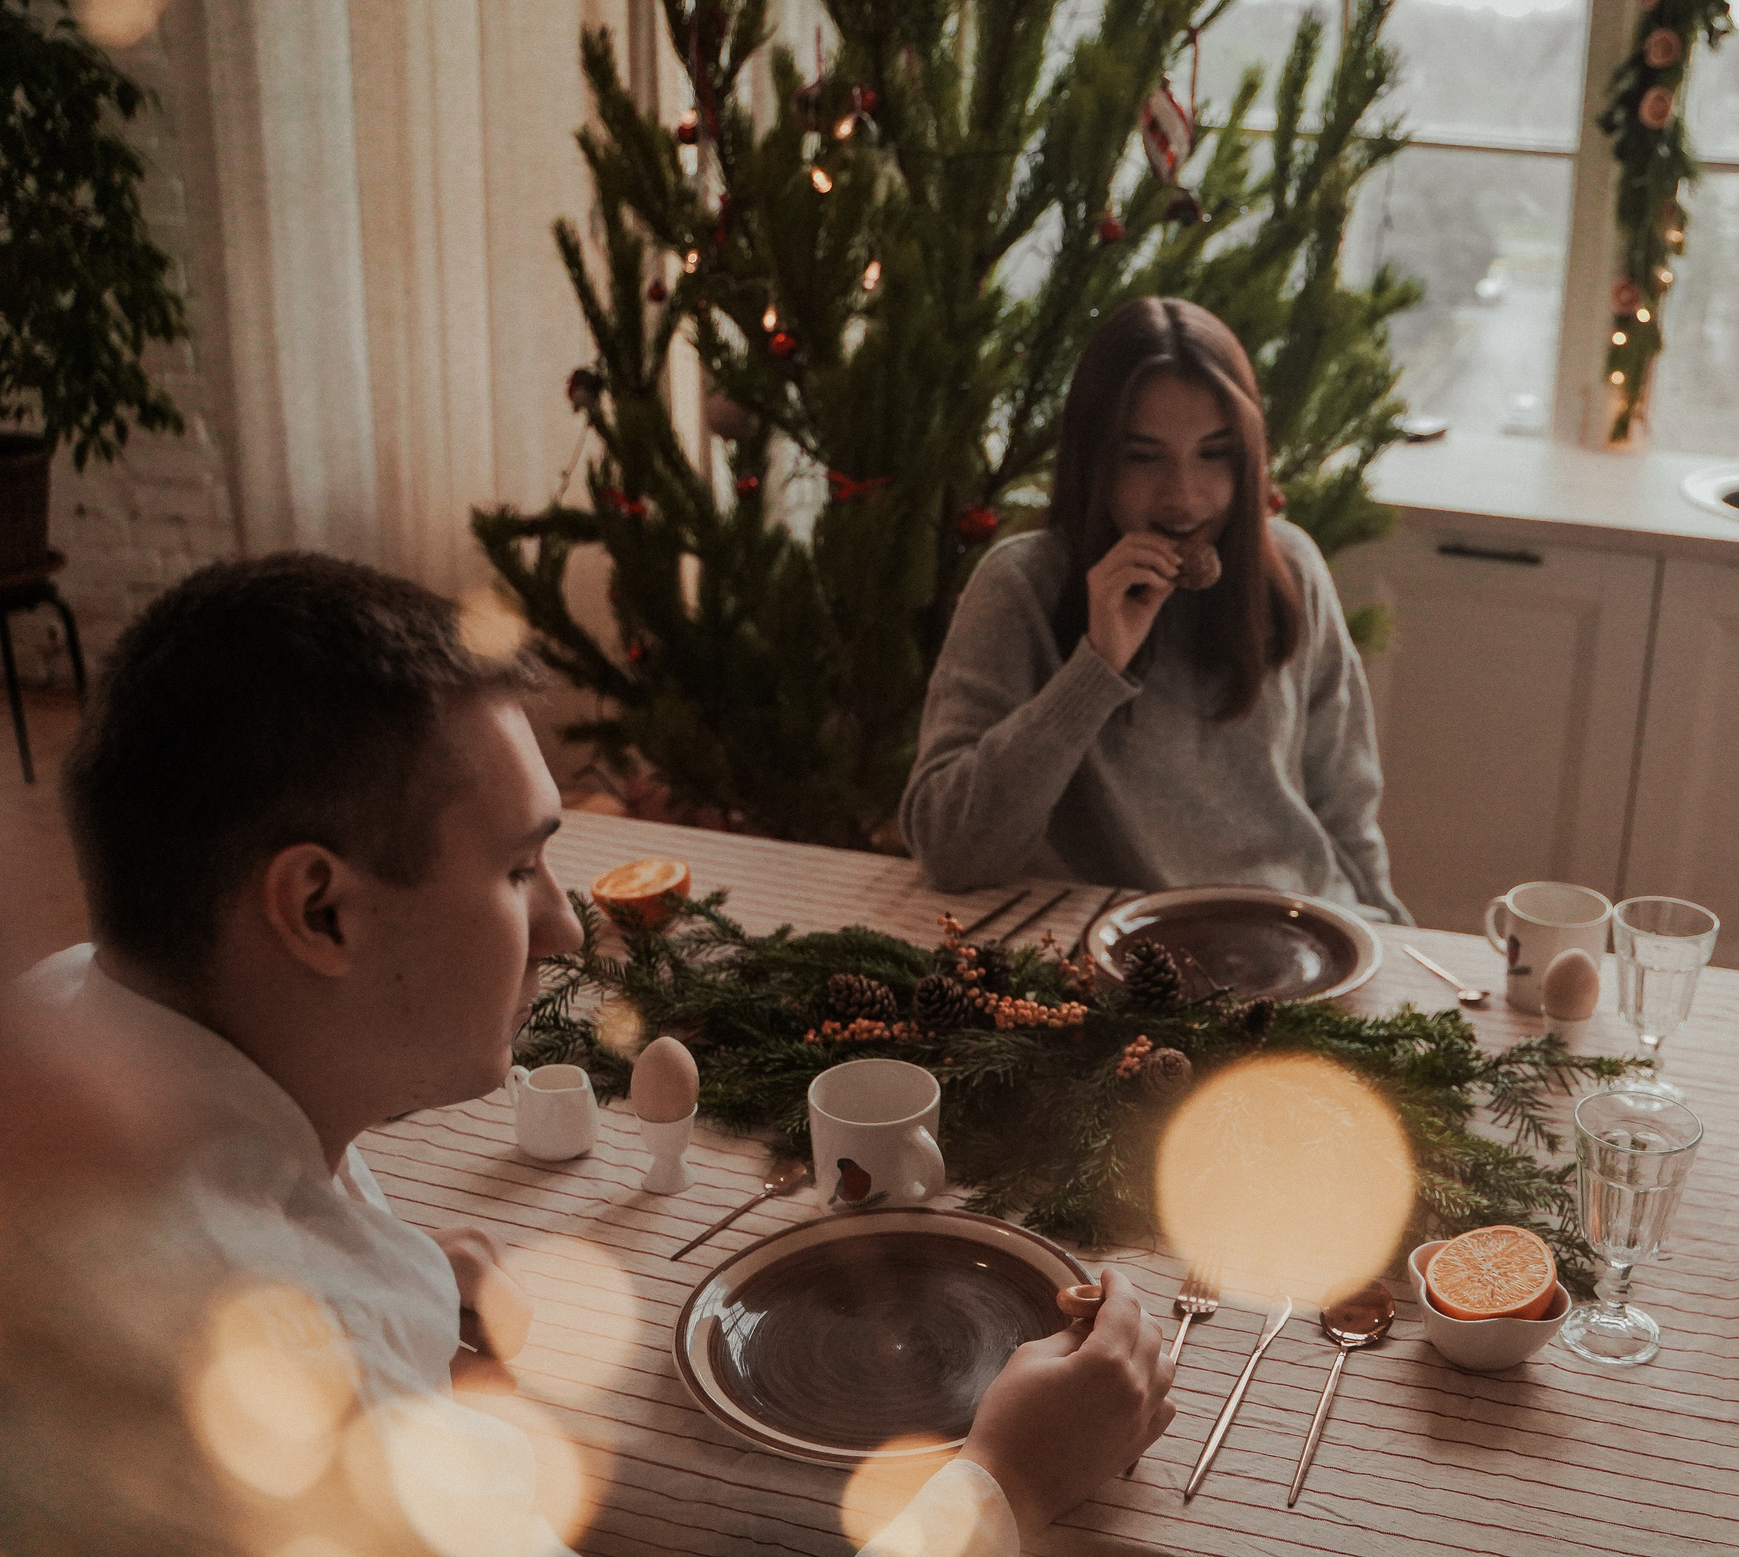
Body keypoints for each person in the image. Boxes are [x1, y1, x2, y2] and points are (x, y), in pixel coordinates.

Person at [2, 553, 1172, 1557]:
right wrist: (1005, 1482)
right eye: (517, 870)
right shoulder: (292, 1403)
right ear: (319, 910)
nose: (565, 928)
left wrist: (395, 1270)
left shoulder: (70, 1004)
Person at [901, 296, 1409, 922]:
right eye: (1142, 457)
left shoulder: (1292, 568)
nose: (1183, 496)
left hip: (1298, 933)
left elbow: (1345, 808)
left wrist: (1398, 942)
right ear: (1093, 459)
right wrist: (1095, 668)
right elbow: (950, 851)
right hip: (1118, 956)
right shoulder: (1021, 585)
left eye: (1215, 453)